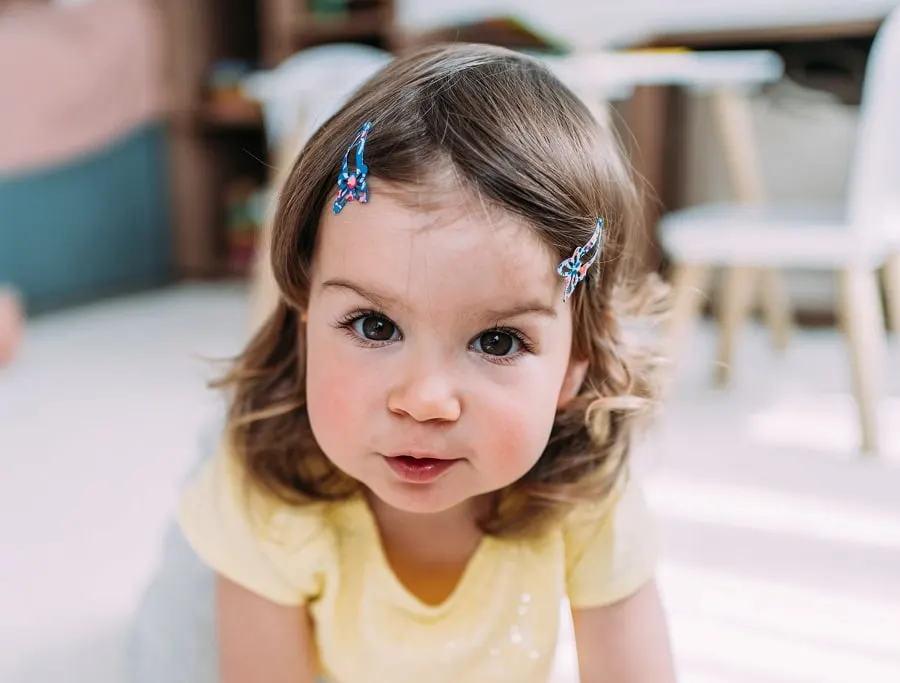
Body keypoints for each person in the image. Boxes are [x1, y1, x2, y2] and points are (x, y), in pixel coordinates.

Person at [148, 43, 675, 683]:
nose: (425, 399)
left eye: (499, 342)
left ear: (575, 363)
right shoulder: (267, 491)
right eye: (374, 325)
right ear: (306, 322)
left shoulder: (587, 491)